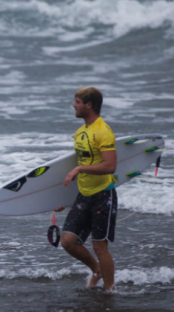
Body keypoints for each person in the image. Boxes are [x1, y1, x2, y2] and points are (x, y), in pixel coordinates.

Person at [56, 87, 118, 291]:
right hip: (84, 194)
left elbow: (110, 166)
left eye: (77, 101)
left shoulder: (103, 131)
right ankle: (96, 269)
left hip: (103, 195)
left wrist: (80, 168)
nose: (74, 105)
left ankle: (109, 290)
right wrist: (62, 201)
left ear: (89, 105)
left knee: (100, 246)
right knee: (67, 241)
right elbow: (76, 167)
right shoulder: (80, 133)